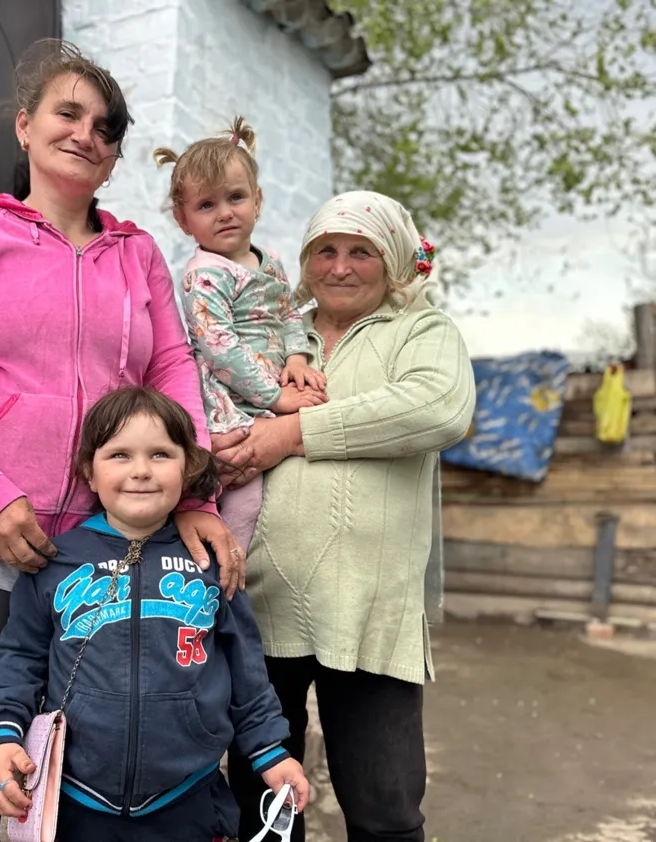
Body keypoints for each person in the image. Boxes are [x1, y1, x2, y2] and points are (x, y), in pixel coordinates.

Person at [0, 40, 245, 842]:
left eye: (105, 127)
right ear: (25, 126)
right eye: (67, 113)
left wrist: (196, 495)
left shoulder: (136, 255)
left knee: (82, 735)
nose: (86, 133)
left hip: (94, 541)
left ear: (113, 158)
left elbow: (173, 369)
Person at [220, 191, 476, 842]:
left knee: (383, 812)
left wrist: (290, 433)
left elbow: (436, 409)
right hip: (257, 607)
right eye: (324, 251)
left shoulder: (420, 330)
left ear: (390, 259)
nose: (339, 266)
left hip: (367, 611)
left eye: (360, 251)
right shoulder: (276, 334)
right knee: (263, 810)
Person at [0, 387, 310, 842]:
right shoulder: (56, 562)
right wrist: (0, 736)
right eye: (119, 455)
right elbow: (18, 658)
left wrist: (271, 751)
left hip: (188, 796)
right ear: (88, 472)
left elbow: (246, 668)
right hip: (76, 798)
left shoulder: (210, 561)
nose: (141, 471)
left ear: (187, 468)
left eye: (160, 454)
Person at [153, 118, 327, 552]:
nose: (225, 212)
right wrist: (276, 397)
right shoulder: (204, 275)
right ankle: (224, 576)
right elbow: (219, 348)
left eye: (235, 197)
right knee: (242, 495)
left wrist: (297, 358)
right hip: (233, 399)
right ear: (183, 219)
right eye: (206, 205)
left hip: (271, 386)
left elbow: (288, 313)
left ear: (258, 200)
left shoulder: (269, 263)